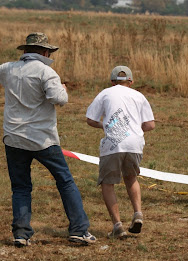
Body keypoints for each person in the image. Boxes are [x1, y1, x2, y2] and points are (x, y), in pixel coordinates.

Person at [0, 32, 96, 247]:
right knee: (65, 181)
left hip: (14, 138)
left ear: (25, 50)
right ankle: (79, 230)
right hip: (42, 139)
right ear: (44, 52)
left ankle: (21, 234)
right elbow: (58, 99)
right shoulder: (47, 72)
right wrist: (63, 89)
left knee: (21, 187)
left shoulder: (7, 69)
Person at [86, 65, 155, 239]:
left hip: (112, 145)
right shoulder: (139, 96)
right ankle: (138, 213)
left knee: (108, 183)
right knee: (131, 178)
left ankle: (117, 226)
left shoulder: (105, 93)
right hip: (135, 145)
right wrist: (133, 128)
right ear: (131, 81)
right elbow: (150, 125)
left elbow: (90, 120)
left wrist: (105, 125)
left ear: (112, 81)